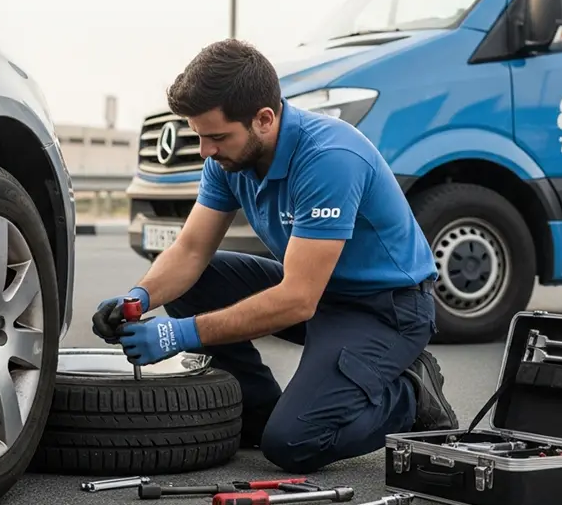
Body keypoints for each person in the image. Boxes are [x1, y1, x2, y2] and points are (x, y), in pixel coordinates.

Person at [92, 38, 459, 474]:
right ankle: (259, 411)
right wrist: (139, 297)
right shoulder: (227, 159)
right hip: (316, 292)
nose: (206, 151)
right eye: (200, 137)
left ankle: (413, 394)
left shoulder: (329, 158)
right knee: (203, 278)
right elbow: (190, 250)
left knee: (295, 444)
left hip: (386, 309)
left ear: (265, 119)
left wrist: (177, 336)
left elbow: (298, 299)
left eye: (217, 137)